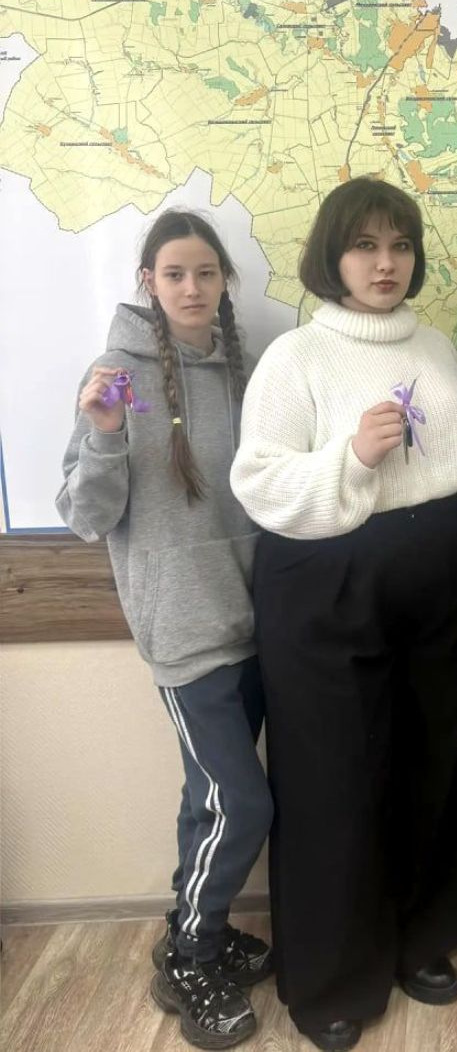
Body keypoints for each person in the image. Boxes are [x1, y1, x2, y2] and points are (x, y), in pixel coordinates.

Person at [230, 177, 457, 1052]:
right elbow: (260, 481)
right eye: (365, 245)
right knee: (332, 776)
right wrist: (351, 456)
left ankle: (421, 936)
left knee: (426, 754)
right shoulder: (296, 356)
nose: (386, 263)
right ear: (331, 256)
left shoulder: (437, 345)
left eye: (400, 245)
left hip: (431, 567)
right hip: (326, 577)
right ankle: (333, 976)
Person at [56, 211, 273, 1050]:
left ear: (224, 280)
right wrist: (105, 431)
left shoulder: (248, 366)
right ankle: (191, 957)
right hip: (184, 630)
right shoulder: (116, 374)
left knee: (206, 798)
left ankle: (194, 928)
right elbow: (86, 515)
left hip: (256, 620)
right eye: (174, 273)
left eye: (205, 272)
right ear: (148, 280)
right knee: (242, 802)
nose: (191, 287)